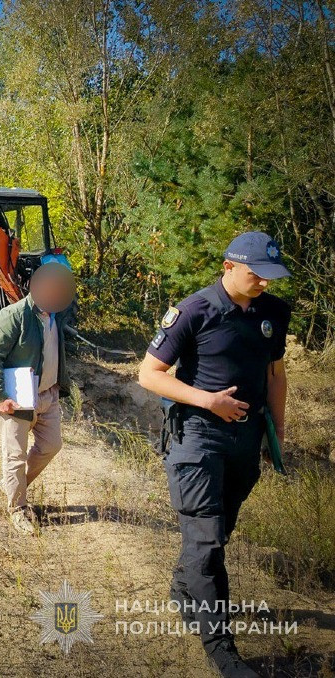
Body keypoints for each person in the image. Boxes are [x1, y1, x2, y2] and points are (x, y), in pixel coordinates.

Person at [138, 232, 291, 678]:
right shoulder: (193, 311)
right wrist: (207, 400)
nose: (263, 282)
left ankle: (185, 589)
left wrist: (277, 431)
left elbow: (275, 373)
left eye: (270, 276)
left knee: (216, 533)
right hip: (198, 438)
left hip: (245, 443)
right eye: (255, 274)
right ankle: (222, 651)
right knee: (206, 544)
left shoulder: (274, 313)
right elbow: (149, 374)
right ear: (228, 267)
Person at [0, 262, 75, 535]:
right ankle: (18, 509)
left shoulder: (58, 314)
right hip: (18, 398)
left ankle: (13, 484)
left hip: (49, 396)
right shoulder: (13, 316)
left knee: (51, 446)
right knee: (15, 456)